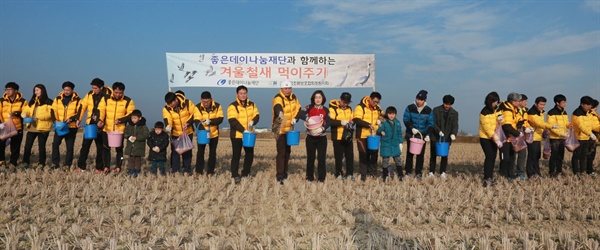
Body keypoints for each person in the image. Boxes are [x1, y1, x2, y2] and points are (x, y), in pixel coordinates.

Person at [76, 78, 112, 173]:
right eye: (92, 88)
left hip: (101, 125)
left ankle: (99, 168)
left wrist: (101, 120)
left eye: (95, 88)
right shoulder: (89, 94)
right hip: (90, 124)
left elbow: (108, 110)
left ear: (101, 87)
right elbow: (83, 106)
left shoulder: (108, 95)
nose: (93, 90)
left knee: (100, 147)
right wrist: (78, 119)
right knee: (85, 146)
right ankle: (81, 167)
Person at [162, 91, 200, 174]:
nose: (170, 105)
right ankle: (175, 170)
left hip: (187, 132)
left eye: (171, 102)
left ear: (176, 99)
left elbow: (195, 113)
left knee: (187, 152)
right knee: (175, 152)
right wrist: (168, 125)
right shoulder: (166, 108)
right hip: (175, 133)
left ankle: (187, 170)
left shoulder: (187, 103)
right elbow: (167, 118)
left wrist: (189, 122)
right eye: (168, 103)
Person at [271, 80, 301, 185]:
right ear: (281, 89)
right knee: (281, 152)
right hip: (280, 128)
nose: (287, 90)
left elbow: (299, 109)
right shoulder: (278, 97)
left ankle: (285, 172)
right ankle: (280, 175)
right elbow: (277, 106)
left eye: (289, 88)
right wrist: (280, 113)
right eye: (285, 89)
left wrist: (296, 119)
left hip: (289, 129)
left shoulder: (294, 98)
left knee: (288, 152)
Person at [227, 85, 259, 183]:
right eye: (241, 93)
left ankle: (245, 173)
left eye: (244, 93)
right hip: (237, 135)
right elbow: (232, 120)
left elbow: (257, 115)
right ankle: (235, 174)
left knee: (249, 154)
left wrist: (253, 121)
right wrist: (243, 130)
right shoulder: (232, 106)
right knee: (236, 155)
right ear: (237, 94)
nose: (243, 95)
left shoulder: (252, 104)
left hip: (249, 135)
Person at [102, 82, 135, 174]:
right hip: (107, 129)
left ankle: (118, 165)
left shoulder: (128, 101)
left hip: (120, 130)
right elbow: (101, 111)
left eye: (120, 92)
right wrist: (100, 120)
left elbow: (130, 114)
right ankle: (106, 166)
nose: (118, 94)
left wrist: (121, 120)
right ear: (113, 91)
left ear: (123, 92)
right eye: (116, 92)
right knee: (106, 149)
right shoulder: (105, 99)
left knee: (119, 150)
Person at [298, 90, 330, 182]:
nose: (318, 99)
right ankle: (309, 177)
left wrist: (322, 128)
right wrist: (308, 118)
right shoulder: (309, 107)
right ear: (313, 99)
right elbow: (300, 114)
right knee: (310, 158)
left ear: (323, 99)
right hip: (310, 137)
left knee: (321, 158)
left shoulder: (326, 110)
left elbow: (329, 122)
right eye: (316, 98)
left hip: (321, 137)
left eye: (320, 97)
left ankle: (321, 178)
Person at [21, 84, 53, 169]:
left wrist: (39, 117)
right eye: (35, 90)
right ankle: (25, 162)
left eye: (38, 90)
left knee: (41, 146)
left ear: (43, 91)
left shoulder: (49, 102)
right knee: (27, 146)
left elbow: (50, 114)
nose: (36, 92)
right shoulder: (32, 101)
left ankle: (41, 163)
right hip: (31, 127)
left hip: (43, 128)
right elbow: (26, 110)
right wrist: (24, 114)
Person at [403, 90, 434, 179]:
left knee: (420, 155)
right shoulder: (409, 108)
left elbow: (430, 123)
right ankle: (408, 172)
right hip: (411, 135)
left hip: (422, 136)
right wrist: (411, 128)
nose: (418, 101)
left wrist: (427, 134)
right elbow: (406, 119)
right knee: (409, 154)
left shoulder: (428, 110)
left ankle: (418, 172)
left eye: (421, 100)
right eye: (417, 99)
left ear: (424, 100)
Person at [51, 81, 81, 171]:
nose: (66, 91)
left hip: (71, 127)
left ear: (72, 90)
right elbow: (53, 110)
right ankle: (55, 163)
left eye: (68, 90)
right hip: (60, 126)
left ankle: (67, 164)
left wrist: (71, 119)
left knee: (69, 146)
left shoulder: (78, 100)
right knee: (55, 144)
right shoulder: (57, 99)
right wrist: (55, 120)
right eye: (65, 90)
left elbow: (79, 113)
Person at [353, 91, 383, 181]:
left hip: (373, 135)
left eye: (378, 102)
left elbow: (382, 118)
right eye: (374, 101)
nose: (376, 103)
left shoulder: (378, 108)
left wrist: (379, 122)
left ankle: (373, 173)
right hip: (362, 135)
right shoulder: (360, 107)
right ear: (369, 99)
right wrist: (368, 124)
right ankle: (363, 175)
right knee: (363, 155)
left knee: (374, 154)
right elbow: (356, 119)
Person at [526, 96, 557, 178]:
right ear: (535, 104)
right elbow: (539, 123)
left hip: (538, 137)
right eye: (541, 104)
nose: (542, 106)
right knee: (532, 156)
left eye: (544, 105)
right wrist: (551, 126)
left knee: (536, 156)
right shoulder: (532, 113)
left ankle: (537, 173)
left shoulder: (540, 113)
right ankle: (530, 173)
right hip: (532, 138)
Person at [429, 94, 459, 179]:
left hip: (447, 138)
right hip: (435, 136)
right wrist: (438, 131)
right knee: (433, 154)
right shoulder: (436, 110)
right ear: (443, 102)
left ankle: (442, 172)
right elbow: (432, 122)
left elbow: (455, 125)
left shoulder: (454, 113)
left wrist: (453, 133)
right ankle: (431, 172)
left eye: (449, 104)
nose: (447, 106)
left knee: (444, 155)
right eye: (446, 104)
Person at [195, 91, 223, 176]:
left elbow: (220, 119)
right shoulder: (197, 107)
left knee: (212, 153)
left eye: (207, 101)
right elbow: (196, 120)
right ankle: (198, 171)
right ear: (201, 100)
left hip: (214, 134)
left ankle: (210, 171)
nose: (206, 103)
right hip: (202, 134)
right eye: (204, 101)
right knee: (200, 152)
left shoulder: (217, 106)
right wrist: (204, 130)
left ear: (211, 99)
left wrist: (211, 121)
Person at [0, 82, 27, 169]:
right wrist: (1, 123)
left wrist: (17, 113)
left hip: (17, 127)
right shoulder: (2, 101)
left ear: (16, 91)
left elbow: (25, 113)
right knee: (1, 144)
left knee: (15, 146)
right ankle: (1, 160)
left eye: (10, 89)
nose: (7, 91)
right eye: (6, 89)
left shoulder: (23, 101)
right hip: (4, 126)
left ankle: (13, 162)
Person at [571, 96, 600, 176]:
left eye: (590, 105)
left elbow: (590, 124)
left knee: (584, 156)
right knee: (577, 156)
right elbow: (581, 126)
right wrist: (590, 133)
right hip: (579, 137)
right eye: (587, 105)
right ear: (582, 104)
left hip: (586, 137)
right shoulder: (577, 113)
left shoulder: (588, 113)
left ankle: (583, 171)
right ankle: (576, 172)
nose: (589, 107)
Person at [329, 92, 355, 180]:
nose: (345, 104)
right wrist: (341, 122)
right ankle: (338, 173)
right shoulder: (333, 108)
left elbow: (352, 118)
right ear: (340, 99)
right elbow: (330, 121)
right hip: (337, 136)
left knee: (350, 155)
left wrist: (352, 122)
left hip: (348, 135)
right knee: (339, 156)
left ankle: (350, 174)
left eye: (347, 102)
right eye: (344, 102)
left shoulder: (350, 109)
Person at [498, 92, 523, 179]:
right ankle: (503, 175)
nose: (520, 102)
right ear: (513, 102)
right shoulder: (507, 110)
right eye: (518, 101)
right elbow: (506, 126)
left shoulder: (514, 109)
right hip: (505, 138)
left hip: (511, 138)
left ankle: (510, 174)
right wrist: (517, 133)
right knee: (505, 158)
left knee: (512, 157)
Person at [479, 91, 501, 187]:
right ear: (489, 101)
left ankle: (490, 176)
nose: (495, 103)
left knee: (493, 157)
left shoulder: (496, 109)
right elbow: (487, 128)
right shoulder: (484, 112)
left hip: (495, 136)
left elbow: (500, 117)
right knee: (489, 156)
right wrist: (495, 138)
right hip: (486, 138)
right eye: (494, 102)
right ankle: (487, 178)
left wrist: (500, 119)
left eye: (497, 101)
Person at [546, 94, 572, 177]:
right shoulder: (551, 113)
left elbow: (566, 122)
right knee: (554, 155)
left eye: (565, 102)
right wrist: (562, 133)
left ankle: (559, 171)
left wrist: (568, 125)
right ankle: (552, 171)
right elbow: (552, 127)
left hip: (562, 137)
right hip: (555, 137)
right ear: (557, 103)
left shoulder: (564, 112)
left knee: (561, 155)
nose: (565, 104)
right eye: (563, 102)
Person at [377, 106, 404, 181]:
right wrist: (381, 132)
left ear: (395, 114)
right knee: (385, 160)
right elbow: (378, 130)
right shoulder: (384, 123)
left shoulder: (397, 123)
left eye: (393, 114)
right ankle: (385, 175)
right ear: (387, 114)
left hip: (395, 144)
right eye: (389, 114)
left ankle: (400, 174)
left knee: (398, 160)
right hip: (386, 145)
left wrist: (400, 143)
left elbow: (399, 133)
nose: (391, 115)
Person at [124, 109, 149, 177]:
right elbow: (125, 133)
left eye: (135, 118)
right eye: (132, 118)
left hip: (139, 147)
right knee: (131, 159)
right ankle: (132, 170)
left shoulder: (143, 126)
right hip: (130, 146)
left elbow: (146, 134)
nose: (133, 120)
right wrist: (129, 137)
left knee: (138, 160)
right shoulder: (129, 126)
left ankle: (138, 171)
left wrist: (137, 137)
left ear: (140, 118)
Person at [513, 94, 532, 180]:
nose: (526, 103)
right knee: (512, 155)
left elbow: (525, 121)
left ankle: (520, 172)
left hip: (521, 135)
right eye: (525, 101)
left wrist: (528, 127)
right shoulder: (514, 110)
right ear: (519, 101)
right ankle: (512, 172)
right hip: (513, 135)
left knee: (523, 154)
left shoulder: (524, 111)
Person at [587, 99, 599, 175]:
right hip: (591, 137)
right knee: (590, 154)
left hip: (594, 137)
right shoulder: (591, 115)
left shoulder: (594, 114)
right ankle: (589, 170)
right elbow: (594, 126)